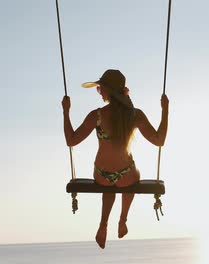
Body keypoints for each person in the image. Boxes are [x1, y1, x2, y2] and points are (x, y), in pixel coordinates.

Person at [62, 69, 169, 249]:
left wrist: (66, 112)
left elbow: (71, 140)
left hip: (102, 174)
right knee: (131, 177)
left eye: (100, 88)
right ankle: (123, 219)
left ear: (107, 90)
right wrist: (165, 111)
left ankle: (103, 225)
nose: (99, 92)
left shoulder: (97, 115)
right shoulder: (135, 115)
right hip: (127, 174)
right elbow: (159, 140)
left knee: (108, 186)